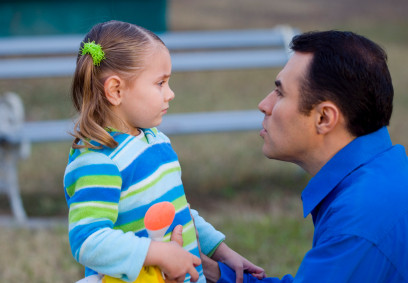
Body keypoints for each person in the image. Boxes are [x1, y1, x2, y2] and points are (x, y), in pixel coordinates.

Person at [203, 30, 408, 282]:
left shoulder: (358, 222)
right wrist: (211, 273)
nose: (264, 104)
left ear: (324, 118)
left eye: (281, 93)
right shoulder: (405, 177)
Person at [63, 20, 264, 283]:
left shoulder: (156, 142)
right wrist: (156, 253)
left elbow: (177, 210)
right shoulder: (98, 161)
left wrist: (221, 252)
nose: (170, 94)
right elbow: (87, 241)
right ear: (116, 90)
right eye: (160, 83)